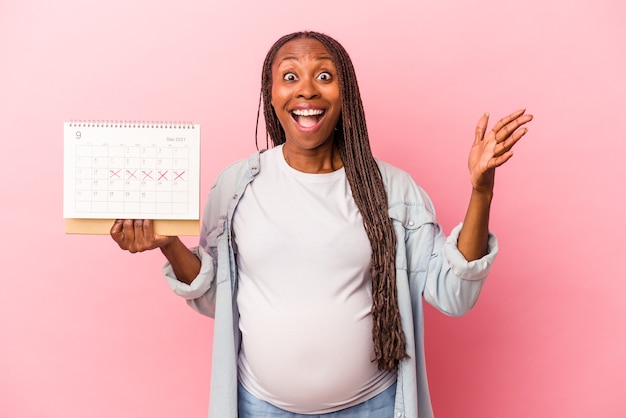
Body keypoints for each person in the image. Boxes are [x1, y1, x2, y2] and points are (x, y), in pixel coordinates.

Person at [111, 31, 532, 418]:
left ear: (345, 93)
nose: (307, 89)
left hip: (374, 407)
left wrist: (481, 192)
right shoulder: (236, 186)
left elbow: (453, 293)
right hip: (260, 407)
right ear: (271, 95)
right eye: (290, 75)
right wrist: (169, 245)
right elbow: (214, 299)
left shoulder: (393, 190)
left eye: (324, 75)